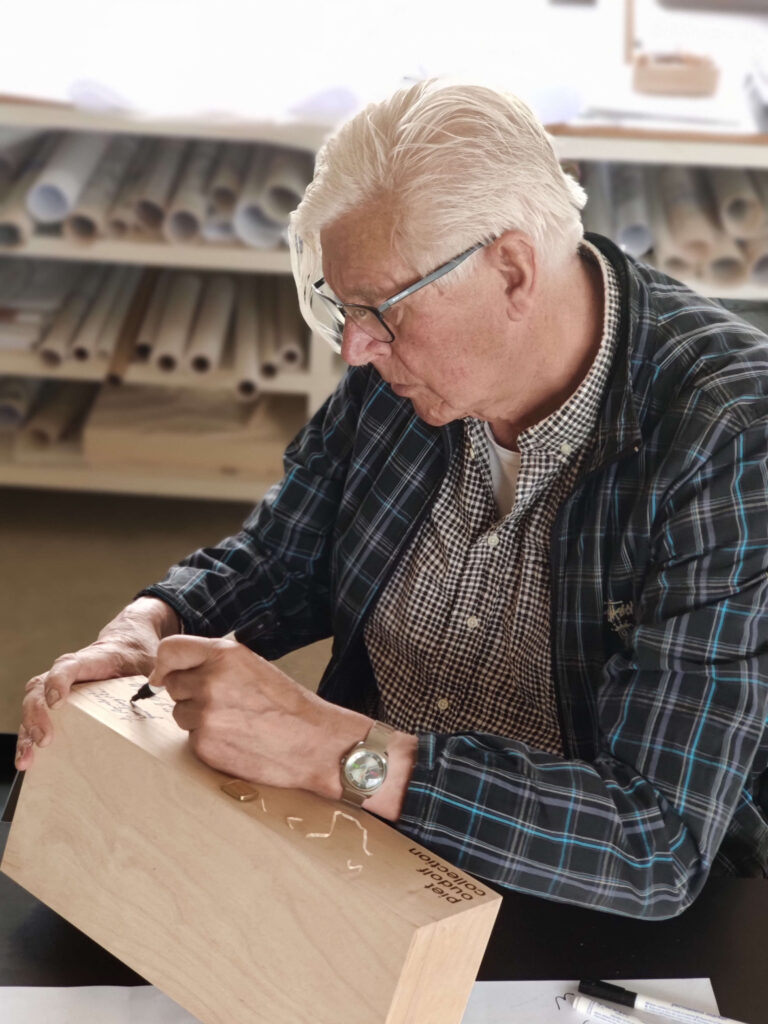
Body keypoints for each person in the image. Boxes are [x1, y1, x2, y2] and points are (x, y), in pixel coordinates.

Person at [16, 80, 768, 919]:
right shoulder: (406, 369)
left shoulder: (730, 436)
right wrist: (149, 622)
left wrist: (337, 751)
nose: (358, 349)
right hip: (357, 852)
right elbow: (286, 556)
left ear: (512, 270)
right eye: (344, 309)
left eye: (380, 313)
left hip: (577, 912)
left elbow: (652, 845)